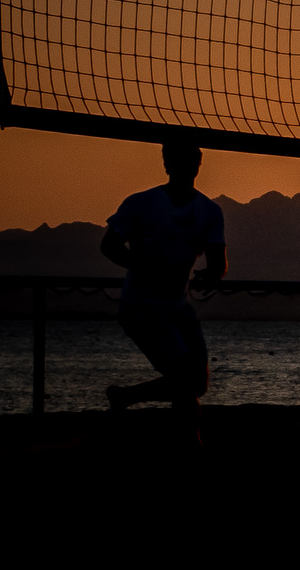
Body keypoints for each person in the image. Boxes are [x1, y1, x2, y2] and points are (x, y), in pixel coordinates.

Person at [100, 143, 226, 441]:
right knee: (184, 380)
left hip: (177, 307)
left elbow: (219, 262)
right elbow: (109, 245)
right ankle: (189, 443)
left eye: (189, 161)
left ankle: (125, 397)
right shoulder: (141, 204)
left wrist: (211, 274)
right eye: (177, 161)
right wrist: (142, 265)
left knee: (197, 384)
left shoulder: (209, 211)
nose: (184, 168)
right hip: (140, 306)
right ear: (166, 165)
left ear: (198, 164)